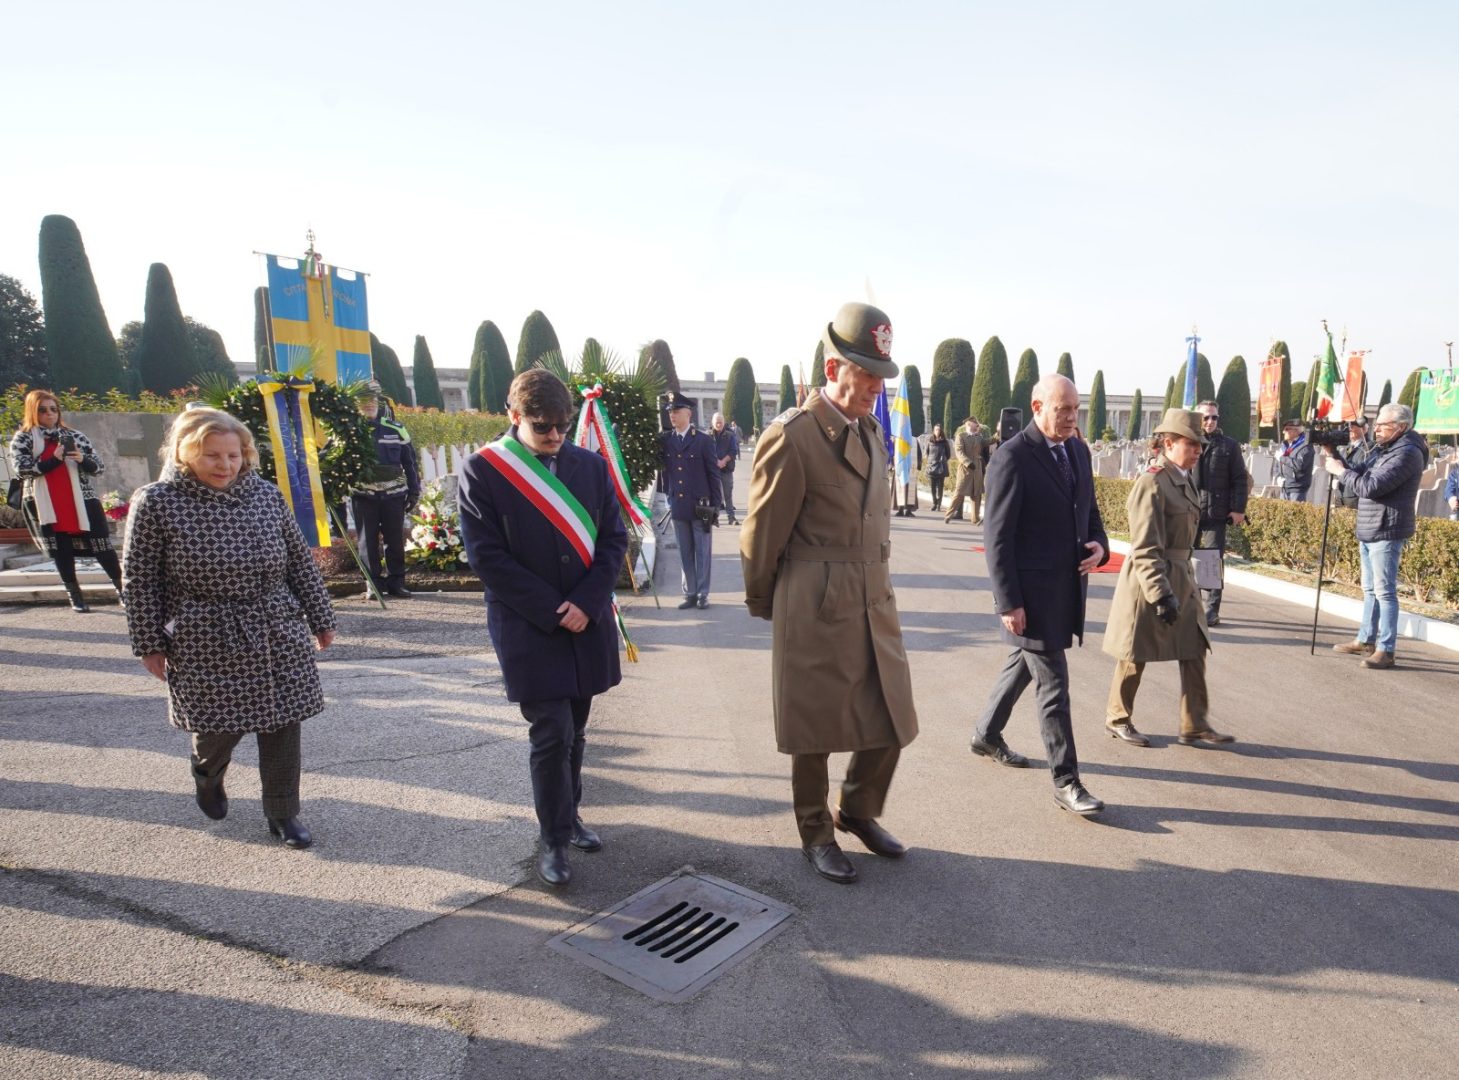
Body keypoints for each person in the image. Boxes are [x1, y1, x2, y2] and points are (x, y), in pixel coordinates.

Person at [740, 301, 918, 884]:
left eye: (880, 374)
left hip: (871, 594)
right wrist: (770, 603)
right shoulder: (793, 437)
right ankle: (815, 831)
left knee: (893, 716)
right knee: (813, 729)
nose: (874, 386)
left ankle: (859, 811)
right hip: (814, 598)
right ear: (833, 366)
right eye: (864, 372)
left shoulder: (869, 430)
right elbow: (761, 534)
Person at [123, 408, 337, 848]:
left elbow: (298, 560)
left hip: (276, 625)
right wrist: (148, 643)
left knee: (283, 722)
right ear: (185, 454)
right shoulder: (157, 502)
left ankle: (283, 813)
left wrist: (321, 617)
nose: (224, 465)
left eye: (233, 455)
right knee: (219, 726)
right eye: (211, 456)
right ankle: (207, 772)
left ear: (246, 455)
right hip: (205, 631)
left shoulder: (265, 495)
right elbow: (139, 579)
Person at [457, 369, 628, 886]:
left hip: (586, 619)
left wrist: (587, 601)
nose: (554, 436)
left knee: (576, 730)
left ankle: (569, 814)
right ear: (514, 416)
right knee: (550, 732)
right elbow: (486, 557)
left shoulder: (591, 468)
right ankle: (552, 838)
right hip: (531, 626)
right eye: (541, 426)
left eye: (561, 425)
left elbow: (613, 541)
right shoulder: (484, 471)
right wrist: (556, 609)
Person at [970, 374, 1109, 816]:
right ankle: (1066, 781)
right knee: (1054, 686)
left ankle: (985, 735)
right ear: (1036, 407)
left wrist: (1099, 544)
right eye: (1061, 409)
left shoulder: (1077, 450)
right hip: (1029, 596)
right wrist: (1008, 602)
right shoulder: (1013, 458)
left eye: (1075, 409)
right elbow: (998, 538)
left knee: (1021, 667)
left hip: (1064, 590)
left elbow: (1089, 509)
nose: (1071, 418)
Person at [1103, 409, 1235, 748]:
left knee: (1194, 647)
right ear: (1168, 442)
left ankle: (1194, 723)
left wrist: (1203, 574)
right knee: (1135, 652)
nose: (1198, 451)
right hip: (1152, 577)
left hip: (1182, 574)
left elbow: (1192, 535)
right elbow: (1145, 545)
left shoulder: (1183, 478)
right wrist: (1160, 595)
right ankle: (1118, 717)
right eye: (1191, 444)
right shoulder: (1153, 481)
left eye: (1200, 445)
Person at [1322, 403, 1428, 670]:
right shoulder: (1385, 449)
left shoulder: (1407, 453)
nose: (1377, 429)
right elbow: (1358, 473)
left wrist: (1339, 472)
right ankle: (1366, 638)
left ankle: (1386, 648)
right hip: (1370, 525)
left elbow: (1370, 486)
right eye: (1377, 424)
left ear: (1401, 427)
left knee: (1385, 591)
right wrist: (1333, 454)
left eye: (1383, 425)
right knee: (1369, 589)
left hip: (1387, 528)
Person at [8, 389, 124, 612]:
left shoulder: (75, 436)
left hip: (81, 500)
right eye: (43, 410)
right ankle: (75, 595)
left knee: (102, 545)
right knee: (61, 550)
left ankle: (121, 589)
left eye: (54, 409)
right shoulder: (23, 438)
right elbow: (22, 469)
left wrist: (82, 459)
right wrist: (54, 459)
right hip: (46, 504)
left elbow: (98, 468)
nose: (50, 414)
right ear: (33, 411)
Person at [351, 384, 421, 599]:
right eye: (364, 401)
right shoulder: (349, 430)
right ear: (356, 405)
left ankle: (396, 582)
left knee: (395, 540)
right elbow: (333, 462)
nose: (369, 405)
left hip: (394, 495)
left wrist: (414, 491)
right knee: (367, 541)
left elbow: (410, 463)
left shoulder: (396, 428)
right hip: (364, 496)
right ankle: (373, 584)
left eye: (372, 400)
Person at [659, 393, 720, 609]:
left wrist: (717, 506)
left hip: (701, 505)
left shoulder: (703, 440)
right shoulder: (667, 440)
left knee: (702, 552)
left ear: (688, 413)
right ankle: (690, 593)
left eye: (676, 412)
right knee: (685, 552)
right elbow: (664, 472)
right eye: (670, 412)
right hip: (678, 504)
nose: (672, 416)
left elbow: (713, 474)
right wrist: (667, 494)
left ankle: (703, 593)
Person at [1194, 400, 1249, 626]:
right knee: (1189, 558)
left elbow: (1239, 479)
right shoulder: (1188, 442)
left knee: (1212, 561)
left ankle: (1212, 609)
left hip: (1216, 512)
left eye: (1214, 417)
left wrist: (1238, 509)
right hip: (1190, 511)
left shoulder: (1229, 446)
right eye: (1205, 417)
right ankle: (1193, 605)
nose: (1210, 421)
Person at [942, 417, 988, 524]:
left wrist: (998, 434)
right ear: (968, 425)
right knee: (959, 493)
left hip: (977, 468)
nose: (977, 425)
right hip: (965, 469)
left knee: (976, 494)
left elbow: (986, 442)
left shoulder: (978, 436)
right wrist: (967, 462)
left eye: (977, 423)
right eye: (975, 423)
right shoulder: (961, 436)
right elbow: (959, 451)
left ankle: (975, 518)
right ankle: (948, 515)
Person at [1336, 416, 1375, 510]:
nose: (1350, 428)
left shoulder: (1370, 448)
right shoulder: (1344, 447)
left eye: (1353, 425)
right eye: (1348, 425)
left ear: (1364, 429)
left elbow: (1363, 469)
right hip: (1340, 493)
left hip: (1354, 494)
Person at [709, 412, 741, 525]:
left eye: (721, 422)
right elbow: (706, 452)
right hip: (713, 470)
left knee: (728, 494)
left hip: (726, 469)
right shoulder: (708, 436)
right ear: (713, 423)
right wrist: (716, 461)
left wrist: (723, 461)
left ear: (724, 422)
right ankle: (715, 518)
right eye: (717, 422)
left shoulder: (730, 435)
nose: (719, 424)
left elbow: (733, 451)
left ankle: (731, 518)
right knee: (715, 494)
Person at [1275, 419, 1313, 501]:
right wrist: (1278, 477)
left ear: (1296, 430)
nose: (1283, 432)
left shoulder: (1305, 446)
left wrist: (1282, 458)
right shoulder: (1285, 445)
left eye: (1287, 429)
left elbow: (1299, 465)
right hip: (1284, 487)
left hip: (1297, 488)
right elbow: (1277, 465)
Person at [892, 423, 923, 517]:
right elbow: (892, 453)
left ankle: (908, 510)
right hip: (900, 469)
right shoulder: (898, 440)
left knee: (910, 490)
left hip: (910, 469)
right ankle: (900, 510)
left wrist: (918, 465)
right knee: (900, 489)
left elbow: (919, 454)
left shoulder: (914, 440)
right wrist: (892, 464)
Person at [924, 424, 951, 511]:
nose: (937, 431)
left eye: (939, 430)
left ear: (941, 431)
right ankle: (934, 503)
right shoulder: (930, 441)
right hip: (931, 466)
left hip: (941, 467)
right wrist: (931, 461)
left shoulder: (944, 442)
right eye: (936, 430)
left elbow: (948, 454)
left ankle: (939, 504)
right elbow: (927, 453)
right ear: (933, 431)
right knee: (932, 487)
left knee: (940, 487)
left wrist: (943, 460)